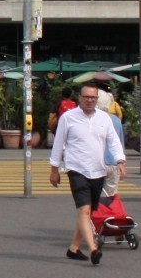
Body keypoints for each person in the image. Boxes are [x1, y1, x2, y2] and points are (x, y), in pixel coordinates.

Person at [48, 82, 124, 265]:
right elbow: (58, 144)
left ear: (97, 99)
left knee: (87, 212)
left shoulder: (104, 119)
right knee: (84, 210)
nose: (90, 101)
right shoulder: (68, 117)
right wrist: (54, 170)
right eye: (86, 97)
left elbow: (113, 141)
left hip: (98, 171)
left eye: (93, 97)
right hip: (77, 170)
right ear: (79, 98)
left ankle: (73, 248)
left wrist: (120, 161)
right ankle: (93, 249)